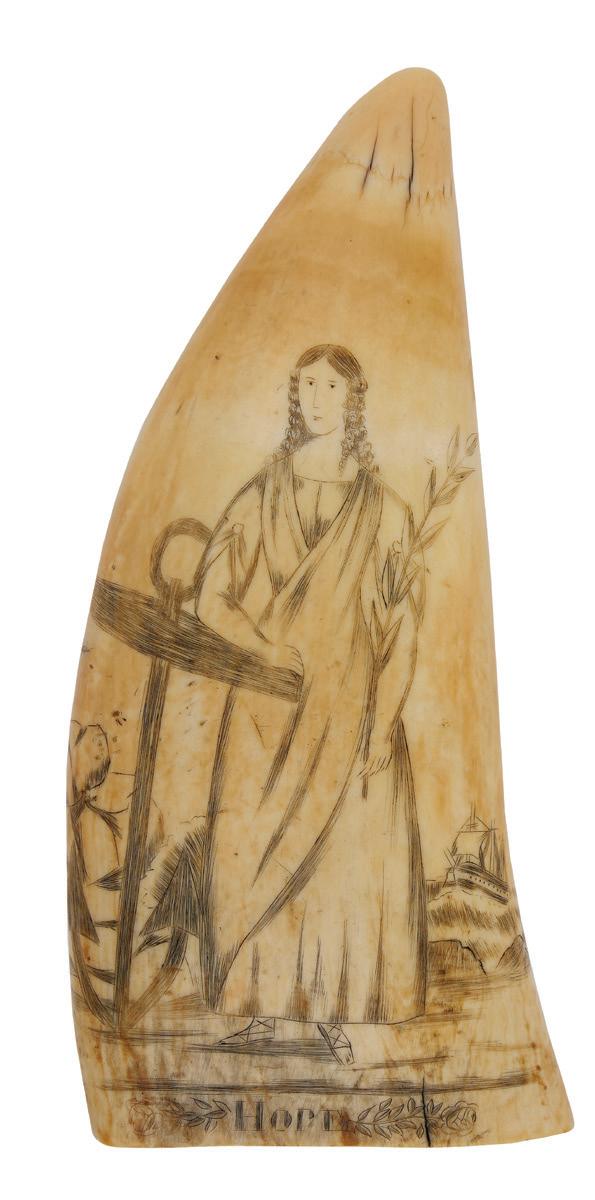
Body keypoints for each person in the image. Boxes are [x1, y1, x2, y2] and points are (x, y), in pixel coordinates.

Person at [194, 344, 427, 1064]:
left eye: (330, 386)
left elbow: (404, 626)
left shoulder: (386, 510)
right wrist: (263, 649)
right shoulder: (262, 492)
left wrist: (381, 723)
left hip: (350, 711)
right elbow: (210, 596)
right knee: (253, 851)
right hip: (267, 710)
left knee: (339, 860)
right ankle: (256, 1006)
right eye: (306, 386)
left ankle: (335, 1012)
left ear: (354, 398)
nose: (316, 398)